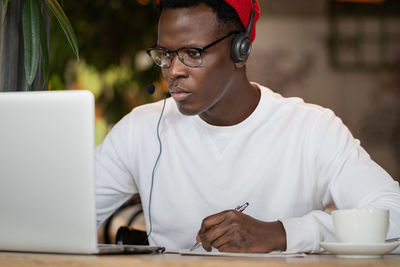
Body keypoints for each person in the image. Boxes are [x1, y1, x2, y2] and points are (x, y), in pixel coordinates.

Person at [95, 0, 400, 253]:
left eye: (192, 53)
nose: (174, 71)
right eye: (165, 54)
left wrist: (281, 233)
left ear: (240, 51)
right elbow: (62, 217)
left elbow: (394, 218)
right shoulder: (140, 129)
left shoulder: (312, 129)